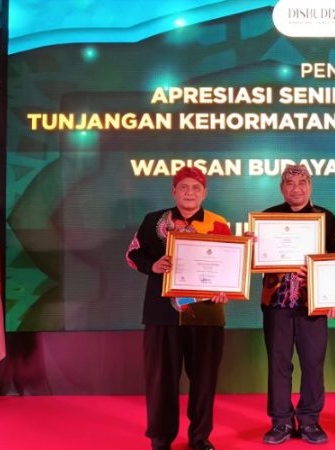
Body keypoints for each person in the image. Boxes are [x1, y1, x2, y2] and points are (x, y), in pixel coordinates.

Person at [125, 167, 231, 450]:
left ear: (205, 193)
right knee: (161, 380)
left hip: (207, 314)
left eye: (196, 188)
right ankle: (161, 439)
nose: (190, 193)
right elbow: (132, 254)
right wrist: (152, 265)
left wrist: (226, 289)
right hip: (162, 314)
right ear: (174, 191)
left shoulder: (218, 223)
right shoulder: (153, 221)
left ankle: (200, 438)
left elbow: (228, 265)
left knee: (204, 380)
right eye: (184, 187)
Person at [260, 165, 335, 445]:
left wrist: (330, 290)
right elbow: (255, 258)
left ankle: (309, 420)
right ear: (281, 188)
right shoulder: (267, 218)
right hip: (276, 303)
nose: (296, 188)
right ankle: (281, 422)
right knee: (278, 364)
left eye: (302, 182)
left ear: (310, 186)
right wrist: (251, 247)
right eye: (290, 183)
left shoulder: (326, 218)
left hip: (313, 303)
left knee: (313, 363)